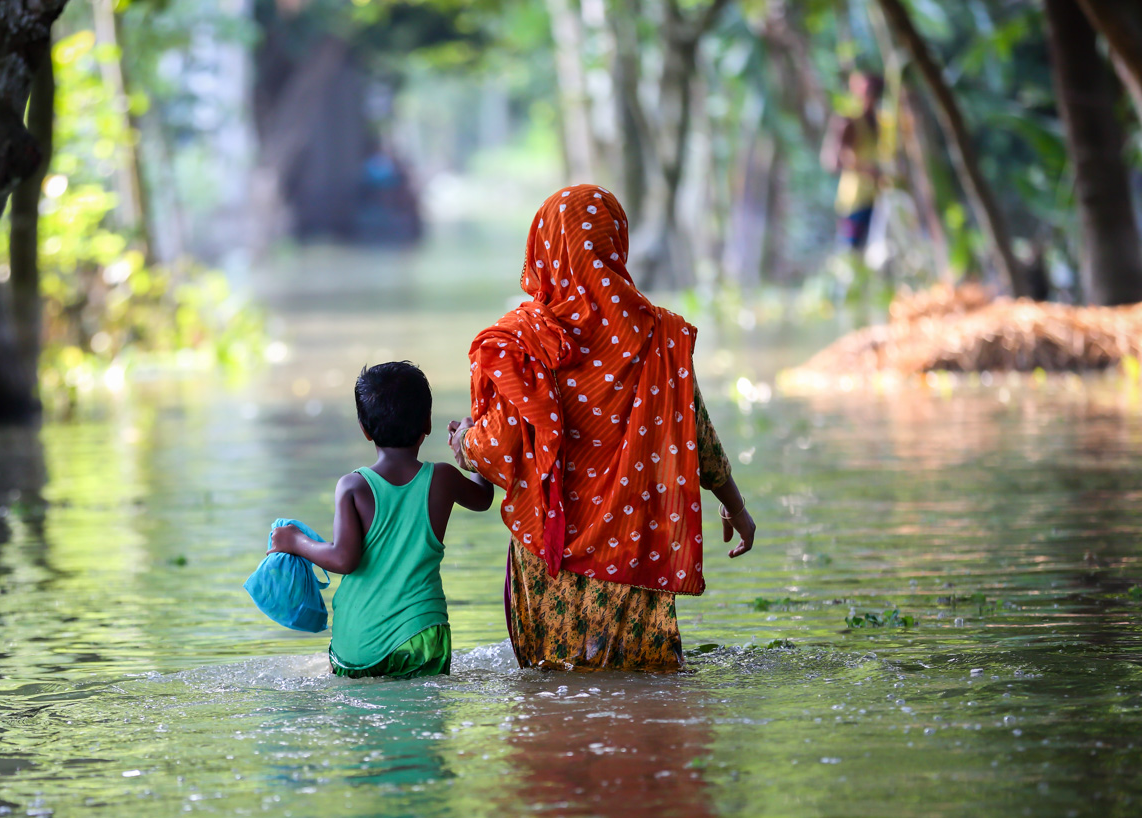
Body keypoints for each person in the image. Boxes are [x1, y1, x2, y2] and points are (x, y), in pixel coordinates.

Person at [448, 184, 755, 673]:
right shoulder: (660, 335)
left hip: (550, 556)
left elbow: (499, 450)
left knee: (553, 702)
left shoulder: (526, 341)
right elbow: (694, 429)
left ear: (545, 246)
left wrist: (464, 440)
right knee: (643, 692)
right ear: (616, 243)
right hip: (634, 549)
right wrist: (735, 506)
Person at [269, 361, 493, 678]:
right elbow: (484, 499)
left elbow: (343, 558)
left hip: (361, 643)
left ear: (364, 429)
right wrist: (471, 447)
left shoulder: (354, 486)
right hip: (424, 635)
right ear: (427, 423)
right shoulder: (443, 478)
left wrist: (296, 542)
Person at [822, 71, 885, 252]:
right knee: (851, 253)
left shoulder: (883, 122)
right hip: (855, 201)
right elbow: (832, 161)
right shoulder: (848, 121)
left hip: (880, 198)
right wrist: (866, 170)